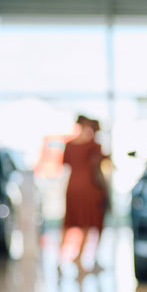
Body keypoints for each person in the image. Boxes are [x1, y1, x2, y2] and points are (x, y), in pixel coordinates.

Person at [61, 115, 111, 270]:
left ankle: (63, 257)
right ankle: (80, 256)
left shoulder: (69, 145)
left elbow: (65, 164)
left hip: (72, 187)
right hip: (90, 188)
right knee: (89, 223)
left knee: (70, 223)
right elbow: (100, 168)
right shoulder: (93, 146)